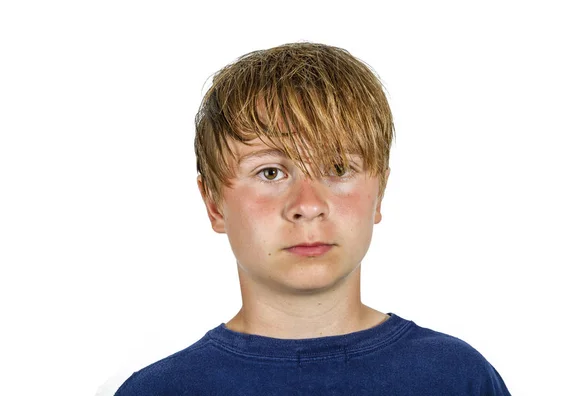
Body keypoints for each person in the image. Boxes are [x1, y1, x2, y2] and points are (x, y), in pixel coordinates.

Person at [115, 42, 511, 395]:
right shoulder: (161, 390)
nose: (307, 204)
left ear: (380, 194)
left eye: (338, 168)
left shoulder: (457, 379)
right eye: (270, 172)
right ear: (214, 203)